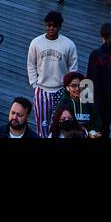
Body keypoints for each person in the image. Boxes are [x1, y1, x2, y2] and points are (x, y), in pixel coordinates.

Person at [27, 10, 78, 138]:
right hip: (41, 90)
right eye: (48, 25)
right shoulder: (35, 43)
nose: (51, 28)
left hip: (61, 91)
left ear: (59, 26)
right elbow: (31, 64)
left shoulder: (69, 45)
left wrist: (69, 88)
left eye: (54, 25)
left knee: (61, 123)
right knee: (42, 124)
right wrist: (34, 84)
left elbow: (73, 68)